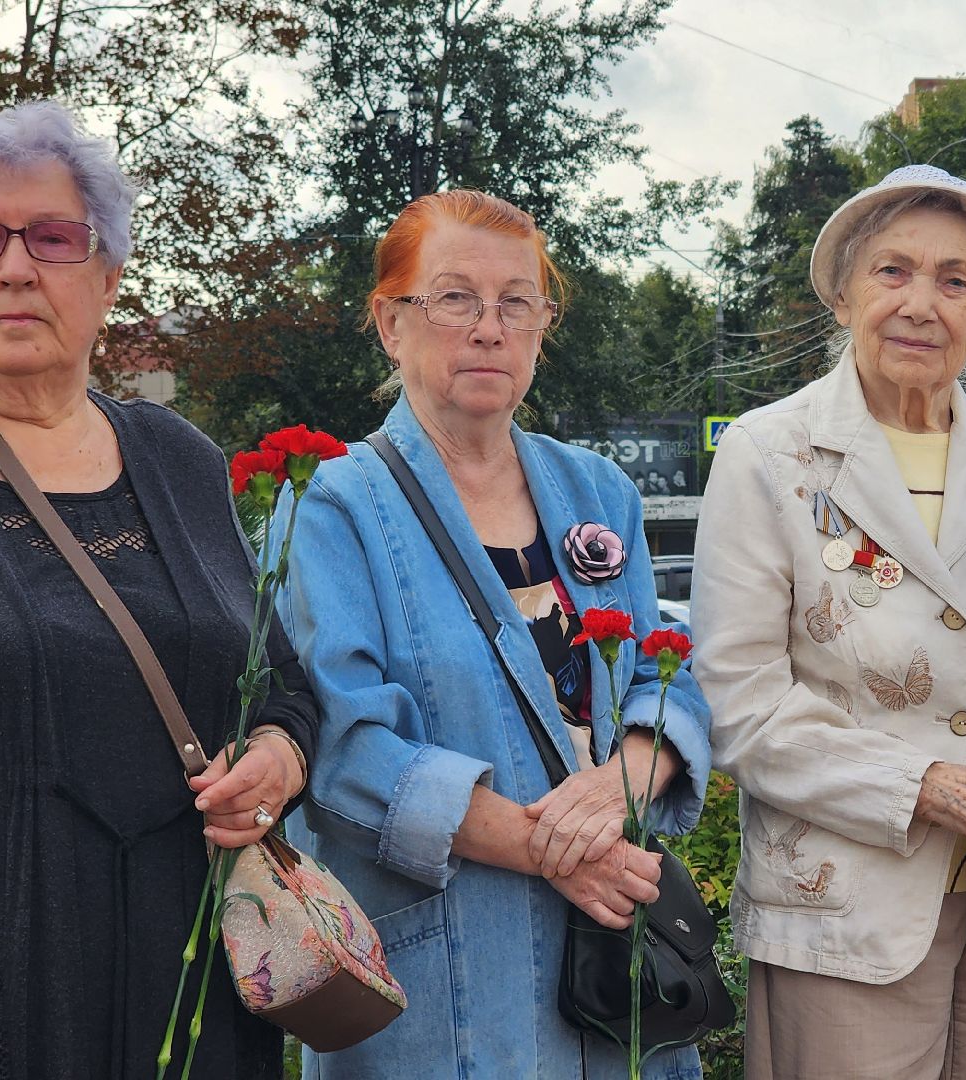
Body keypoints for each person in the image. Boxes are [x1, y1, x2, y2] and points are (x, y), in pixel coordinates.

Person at [0, 100, 316, 1080]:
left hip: (188, 1008)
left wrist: (274, 760)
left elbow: (281, 685)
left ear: (108, 276)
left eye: (54, 238)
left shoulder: (178, 459)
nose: (15, 268)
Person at [275, 188, 713, 1079]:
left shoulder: (599, 494)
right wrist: (556, 854)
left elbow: (666, 679)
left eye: (519, 302)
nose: (489, 328)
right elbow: (348, 749)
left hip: (612, 966)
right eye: (454, 298)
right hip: (449, 989)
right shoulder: (326, 505)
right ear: (391, 323)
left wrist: (630, 773)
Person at [692, 164, 966, 1080]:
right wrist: (926, 784)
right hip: (847, 914)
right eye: (893, 272)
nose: (921, 302)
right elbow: (740, 703)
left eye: (955, 281)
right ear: (843, 295)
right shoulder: (771, 455)